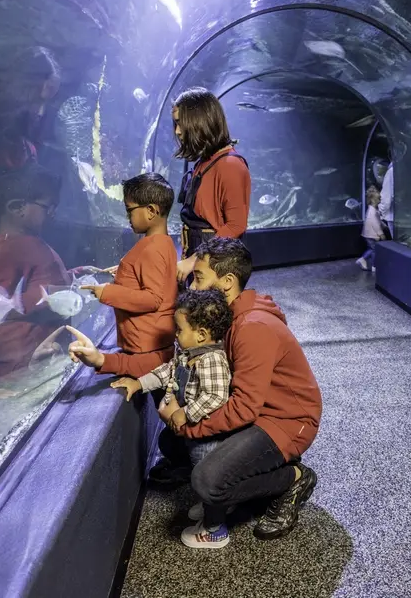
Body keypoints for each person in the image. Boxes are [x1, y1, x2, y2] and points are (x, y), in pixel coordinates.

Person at [152, 237, 323, 550]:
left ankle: (293, 478)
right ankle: (244, 471)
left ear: (227, 281)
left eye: (199, 277)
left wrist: (187, 424)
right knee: (171, 443)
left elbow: (244, 408)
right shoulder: (226, 315)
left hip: (285, 421)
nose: (193, 285)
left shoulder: (252, 326)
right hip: (254, 410)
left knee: (206, 482)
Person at [0, 164, 70, 384]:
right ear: (17, 207)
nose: (53, 213)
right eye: (48, 207)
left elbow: (41, 281)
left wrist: (74, 277)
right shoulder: (2, 253)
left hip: (48, 358)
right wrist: (24, 367)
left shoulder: (27, 245)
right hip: (25, 369)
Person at [68, 173, 179, 378]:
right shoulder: (163, 243)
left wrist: (107, 292)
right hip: (148, 343)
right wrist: (123, 272)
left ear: (151, 211)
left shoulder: (152, 248)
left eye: (130, 210)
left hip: (145, 347)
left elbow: (153, 299)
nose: (128, 217)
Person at [109, 288, 232, 429]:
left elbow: (216, 396)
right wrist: (139, 384)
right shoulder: (186, 353)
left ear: (201, 335)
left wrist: (185, 413)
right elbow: (167, 372)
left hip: (200, 430)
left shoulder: (212, 360)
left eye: (179, 330)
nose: (176, 334)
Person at [171, 88, 251, 284]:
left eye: (181, 123)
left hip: (212, 267)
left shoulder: (230, 165)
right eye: (175, 124)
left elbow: (236, 225)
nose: (177, 131)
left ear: (201, 121)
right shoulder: (204, 161)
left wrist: (195, 259)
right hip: (196, 259)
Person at [356, 186, 386, 272]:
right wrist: (381, 234)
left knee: (372, 249)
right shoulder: (372, 211)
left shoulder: (372, 210)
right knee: (373, 250)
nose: (380, 200)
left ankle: (369, 263)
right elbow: (375, 224)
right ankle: (368, 262)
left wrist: (384, 225)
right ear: (373, 200)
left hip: (369, 234)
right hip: (371, 235)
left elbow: (378, 220)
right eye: (378, 199)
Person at [378, 161, 394, 238]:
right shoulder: (410, 169)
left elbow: (386, 200)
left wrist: (381, 212)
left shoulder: (391, 172)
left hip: (393, 217)